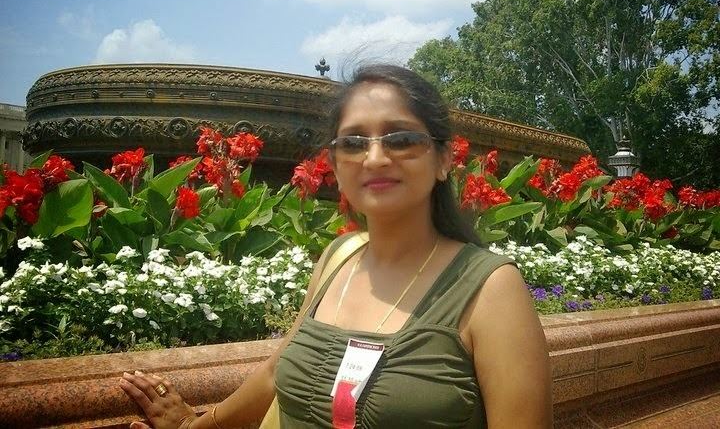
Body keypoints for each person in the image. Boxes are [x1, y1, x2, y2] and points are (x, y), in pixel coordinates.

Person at [120, 64, 553, 428]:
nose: (376, 158)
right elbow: (276, 372)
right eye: (353, 142)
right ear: (335, 166)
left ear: (443, 160)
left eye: (401, 139)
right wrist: (195, 424)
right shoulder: (339, 258)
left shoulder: (491, 289)